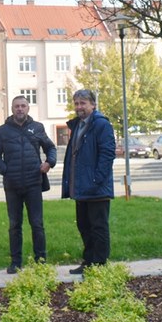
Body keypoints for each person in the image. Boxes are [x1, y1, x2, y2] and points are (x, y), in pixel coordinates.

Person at [0, 95, 57, 274]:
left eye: (23, 106)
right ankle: (15, 262)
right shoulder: (2, 131)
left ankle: (41, 261)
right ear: (12, 109)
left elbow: (51, 148)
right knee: (14, 225)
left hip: (33, 183)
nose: (20, 109)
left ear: (28, 108)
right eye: (16, 106)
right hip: (12, 185)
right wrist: (6, 170)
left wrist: (49, 162)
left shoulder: (37, 128)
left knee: (37, 224)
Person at [61, 89, 116, 275]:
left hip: (96, 188)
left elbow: (107, 154)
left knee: (98, 227)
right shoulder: (77, 125)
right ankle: (89, 261)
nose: (79, 107)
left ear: (93, 105)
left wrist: (96, 179)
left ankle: (99, 265)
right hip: (81, 187)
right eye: (76, 103)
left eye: (83, 103)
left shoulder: (101, 125)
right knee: (84, 225)